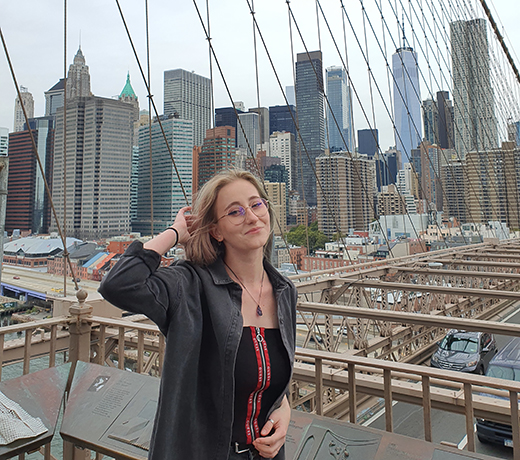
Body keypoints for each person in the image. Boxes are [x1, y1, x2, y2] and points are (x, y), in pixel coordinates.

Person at [99, 169, 297, 460]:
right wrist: (176, 232)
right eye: (235, 212)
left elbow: (267, 372)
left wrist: (284, 408)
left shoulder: (284, 291)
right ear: (216, 230)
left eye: (257, 204)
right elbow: (118, 284)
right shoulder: (188, 285)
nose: (253, 217)